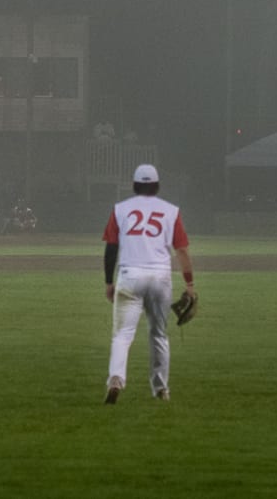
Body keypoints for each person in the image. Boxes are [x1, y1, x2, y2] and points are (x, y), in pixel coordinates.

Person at [101, 163, 194, 404]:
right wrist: (189, 283)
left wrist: (109, 282)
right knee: (159, 335)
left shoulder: (120, 209)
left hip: (129, 275)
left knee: (122, 334)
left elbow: (111, 248)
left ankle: (115, 379)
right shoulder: (171, 211)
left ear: (134, 185)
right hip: (159, 277)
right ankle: (161, 389)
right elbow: (182, 251)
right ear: (156, 185)